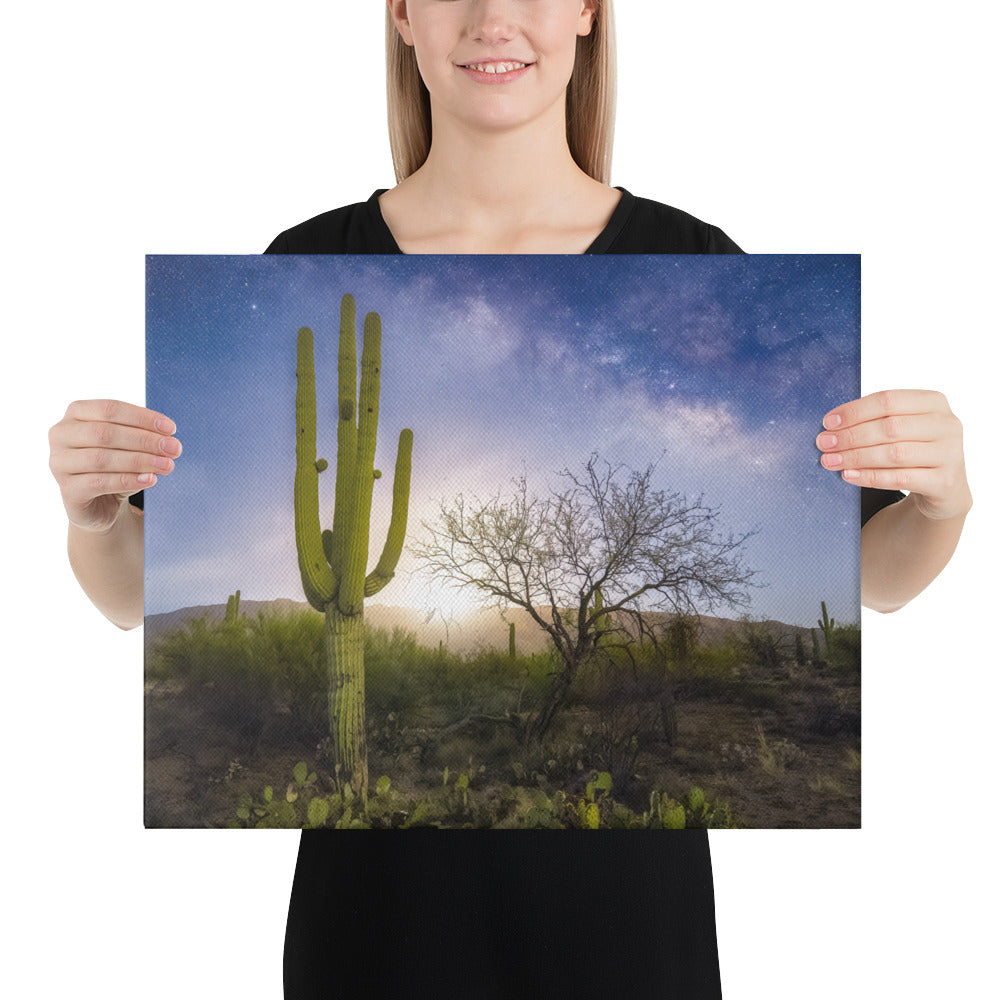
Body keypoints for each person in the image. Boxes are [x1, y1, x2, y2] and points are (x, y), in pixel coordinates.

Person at [47, 1, 972, 997]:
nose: (495, 16)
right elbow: (129, 598)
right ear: (403, 15)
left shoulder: (697, 251)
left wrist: (941, 504)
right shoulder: (308, 252)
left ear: (586, 13)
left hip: (630, 945)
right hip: (371, 941)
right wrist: (91, 518)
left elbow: (874, 577)